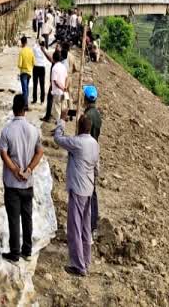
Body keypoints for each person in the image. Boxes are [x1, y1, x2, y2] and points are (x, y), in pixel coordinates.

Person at [54, 110, 100, 277]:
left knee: (74, 228)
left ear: (80, 128)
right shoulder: (94, 143)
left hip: (78, 190)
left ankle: (78, 265)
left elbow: (58, 138)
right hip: (88, 189)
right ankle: (86, 261)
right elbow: (97, 168)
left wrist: (62, 121)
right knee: (86, 228)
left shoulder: (77, 142)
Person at [0, 93, 43, 262]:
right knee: (27, 216)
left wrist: (14, 170)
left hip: (12, 183)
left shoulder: (7, 130)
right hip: (28, 183)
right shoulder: (33, 130)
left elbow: (3, 154)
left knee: (13, 218)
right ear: (25, 108)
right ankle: (27, 249)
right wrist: (29, 169)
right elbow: (39, 152)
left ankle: (15, 252)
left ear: (13, 108)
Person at [82, 86, 103, 233]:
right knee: (93, 189)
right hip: (94, 150)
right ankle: (93, 221)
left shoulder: (88, 116)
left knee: (87, 190)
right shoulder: (98, 115)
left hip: (87, 153)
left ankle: (89, 222)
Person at [43, 49, 69, 122]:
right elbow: (67, 78)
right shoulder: (63, 66)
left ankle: (58, 127)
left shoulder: (54, 68)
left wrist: (61, 88)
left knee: (57, 112)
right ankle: (62, 126)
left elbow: (55, 81)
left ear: (54, 59)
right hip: (64, 91)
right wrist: (65, 87)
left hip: (57, 92)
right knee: (63, 110)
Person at [31, 37, 51, 107]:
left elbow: (33, 46)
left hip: (36, 67)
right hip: (42, 68)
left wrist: (36, 42)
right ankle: (42, 100)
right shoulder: (45, 49)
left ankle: (34, 99)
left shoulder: (35, 49)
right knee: (42, 85)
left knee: (35, 84)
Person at [16, 35, 34, 102]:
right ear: (26, 42)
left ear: (21, 42)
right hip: (29, 72)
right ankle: (26, 102)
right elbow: (33, 62)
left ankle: (25, 104)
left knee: (24, 89)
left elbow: (19, 65)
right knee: (26, 88)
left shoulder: (21, 52)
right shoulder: (30, 51)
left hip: (23, 72)